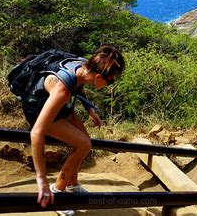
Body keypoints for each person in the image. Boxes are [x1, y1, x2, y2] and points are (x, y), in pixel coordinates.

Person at [23, 44, 125, 210]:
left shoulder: (84, 66)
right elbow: (36, 132)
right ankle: (58, 192)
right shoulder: (62, 90)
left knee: (83, 140)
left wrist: (90, 109)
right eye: (111, 81)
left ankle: (71, 185)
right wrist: (41, 180)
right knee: (83, 144)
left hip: (58, 104)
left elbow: (79, 85)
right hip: (38, 109)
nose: (110, 84)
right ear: (99, 77)